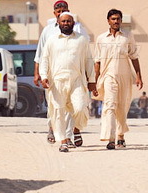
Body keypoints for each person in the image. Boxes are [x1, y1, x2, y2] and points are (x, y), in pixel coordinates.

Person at [39, 11, 96, 153]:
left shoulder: (81, 40)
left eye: (68, 21)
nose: (66, 24)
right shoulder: (51, 40)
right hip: (56, 81)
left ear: (73, 23)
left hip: (77, 80)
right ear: (58, 23)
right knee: (58, 111)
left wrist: (92, 80)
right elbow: (44, 59)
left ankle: (76, 129)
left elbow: (89, 60)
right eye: (63, 21)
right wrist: (43, 76)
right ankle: (63, 141)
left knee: (80, 107)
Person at [94, 8, 142, 149]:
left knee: (122, 105)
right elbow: (97, 61)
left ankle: (120, 135)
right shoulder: (101, 38)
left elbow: (134, 56)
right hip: (108, 76)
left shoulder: (127, 36)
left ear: (121, 20)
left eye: (118, 19)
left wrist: (139, 76)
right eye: (113, 19)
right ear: (108, 21)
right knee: (109, 105)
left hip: (125, 76)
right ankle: (110, 137)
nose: (116, 21)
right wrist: (95, 81)